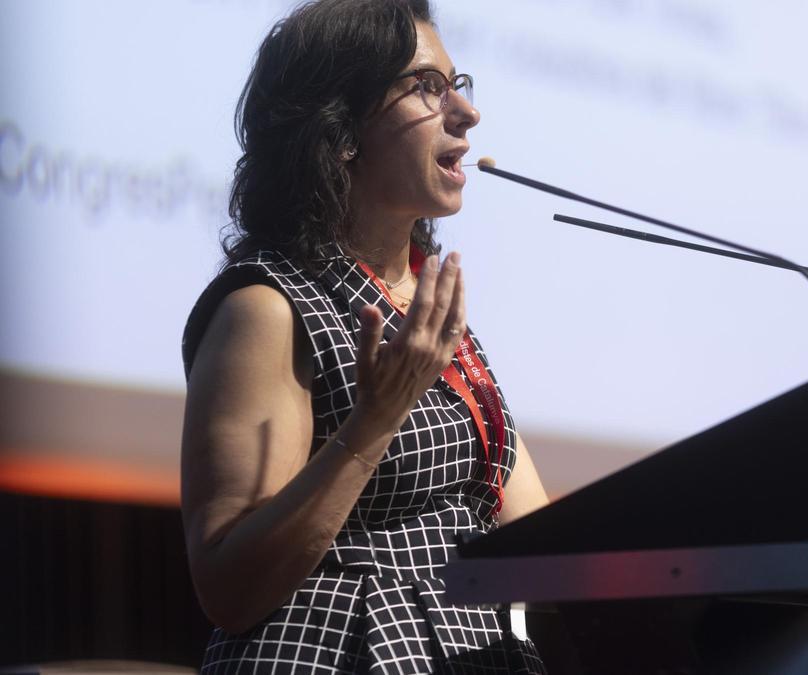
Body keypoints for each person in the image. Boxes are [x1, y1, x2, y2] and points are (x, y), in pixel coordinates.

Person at [179, 1, 549, 672]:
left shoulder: (427, 306)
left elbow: (537, 534)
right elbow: (226, 585)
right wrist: (375, 418)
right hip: (338, 652)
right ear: (342, 129)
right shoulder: (267, 306)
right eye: (425, 87)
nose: (466, 115)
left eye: (457, 87)